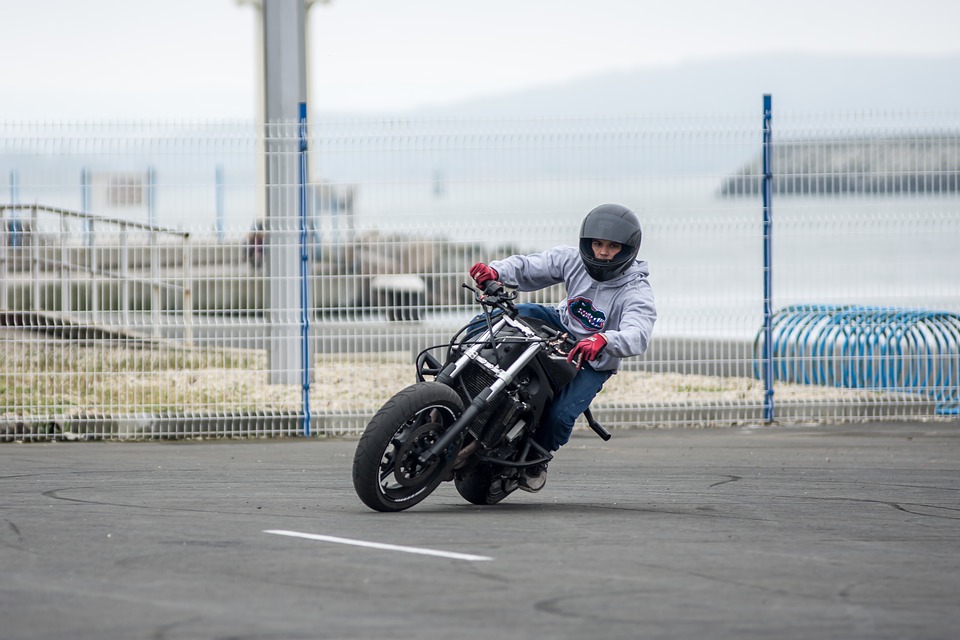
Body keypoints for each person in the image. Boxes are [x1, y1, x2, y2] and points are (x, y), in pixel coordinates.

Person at [468, 203, 657, 492]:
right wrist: (495, 271)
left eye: (612, 246)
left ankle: (535, 460)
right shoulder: (572, 259)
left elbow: (638, 333)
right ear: (587, 243)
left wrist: (606, 340)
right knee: (506, 315)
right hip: (560, 324)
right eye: (597, 244)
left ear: (628, 249)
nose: (603, 252)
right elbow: (531, 267)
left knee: (561, 415)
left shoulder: (636, 290)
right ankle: (461, 363)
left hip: (594, 359)